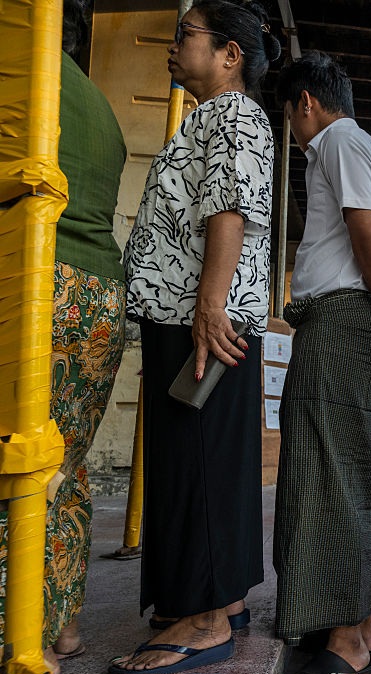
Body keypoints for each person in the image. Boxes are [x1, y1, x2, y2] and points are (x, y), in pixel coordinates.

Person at [112, 2, 280, 672]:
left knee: (204, 462)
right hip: (187, 314)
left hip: (201, 318)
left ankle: (208, 619)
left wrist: (211, 305)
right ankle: (212, 599)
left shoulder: (235, 113)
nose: (173, 47)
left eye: (187, 36)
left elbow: (230, 206)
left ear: (230, 53)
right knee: (191, 461)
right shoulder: (208, 117)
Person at [272, 52, 371, 674]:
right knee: (340, 467)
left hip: (343, 320)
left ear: (306, 102)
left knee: (331, 472)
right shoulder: (353, 149)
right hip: (347, 321)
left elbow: (369, 236)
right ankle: (355, 625)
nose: (290, 125)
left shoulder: (337, 142)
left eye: (289, 111)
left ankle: (349, 637)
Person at [0, 0, 126, 668]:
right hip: (101, 294)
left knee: (14, 460)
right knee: (66, 466)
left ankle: (17, 637)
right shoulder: (103, 112)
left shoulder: (18, 72)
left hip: (37, 280)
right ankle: (63, 625)